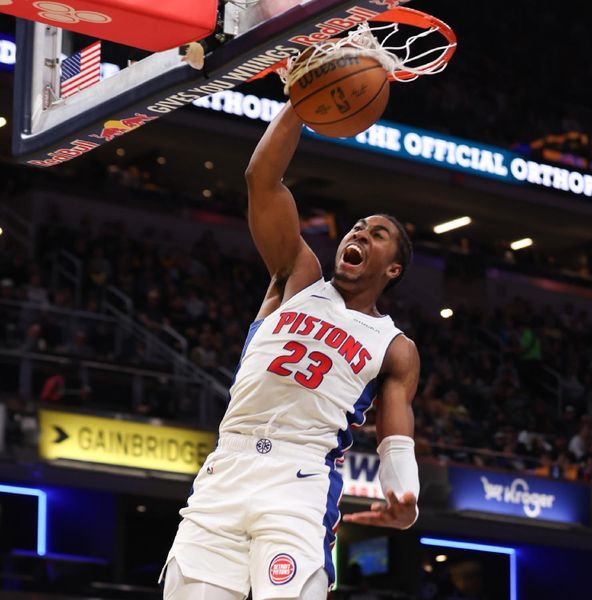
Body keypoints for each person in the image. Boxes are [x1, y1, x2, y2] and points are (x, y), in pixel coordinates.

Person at [161, 104, 421, 600]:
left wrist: (403, 495)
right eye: (358, 226)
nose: (360, 232)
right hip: (227, 466)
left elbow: (396, 438)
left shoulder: (396, 347)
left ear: (393, 270)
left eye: (378, 233)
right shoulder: (298, 276)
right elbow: (262, 179)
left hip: (299, 478)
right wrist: (299, 107)